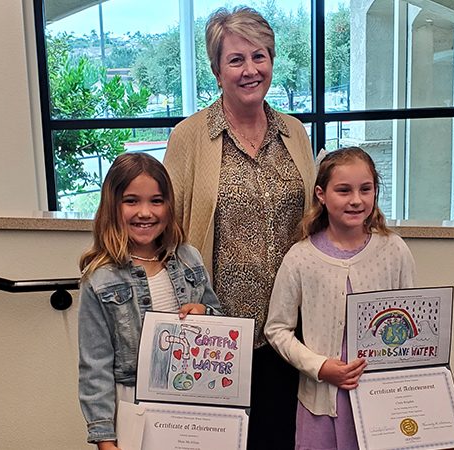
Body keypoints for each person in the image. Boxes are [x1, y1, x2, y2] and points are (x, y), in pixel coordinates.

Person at [163, 6, 316, 449]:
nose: (250, 70)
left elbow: (311, 218)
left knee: (283, 437)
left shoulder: (294, 133)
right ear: (216, 69)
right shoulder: (189, 137)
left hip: (290, 331)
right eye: (236, 60)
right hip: (218, 333)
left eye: (260, 56)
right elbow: (168, 227)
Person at [264, 147, 417, 449]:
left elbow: (411, 323)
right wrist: (320, 366)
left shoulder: (394, 251)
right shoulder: (301, 258)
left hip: (381, 398)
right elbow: (277, 329)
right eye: (344, 190)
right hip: (321, 401)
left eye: (366, 189)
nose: (356, 200)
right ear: (321, 194)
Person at [77, 152, 221, 449]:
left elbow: (217, 320)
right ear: (112, 207)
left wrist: (205, 312)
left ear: (169, 206)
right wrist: (105, 438)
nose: (145, 212)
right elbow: (95, 366)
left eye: (156, 201)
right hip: (133, 403)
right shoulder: (100, 279)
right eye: (131, 201)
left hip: (193, 401)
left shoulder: (188, 258)